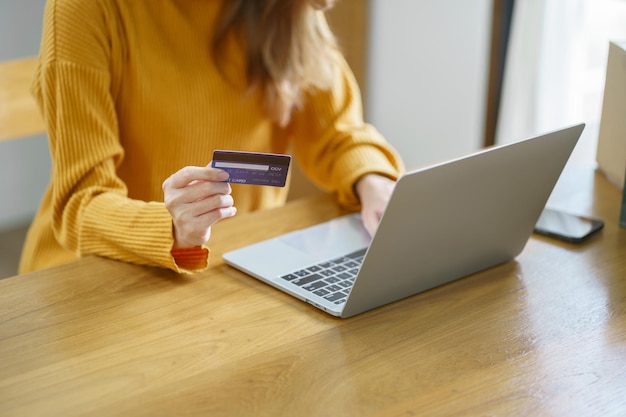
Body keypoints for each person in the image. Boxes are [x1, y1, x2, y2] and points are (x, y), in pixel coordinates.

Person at [19, 0, 405, 274]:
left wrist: (371, 181)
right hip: (94, 274)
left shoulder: (286, 9)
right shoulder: (85, 8)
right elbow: (79, 204)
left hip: (239, 266)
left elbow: (338, 137)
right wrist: (171, 228)